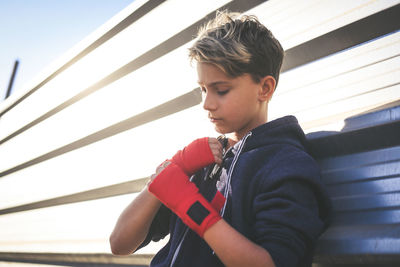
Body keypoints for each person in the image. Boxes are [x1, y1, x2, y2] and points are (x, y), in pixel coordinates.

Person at [109, 11, 331, 267]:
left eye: (221, 90)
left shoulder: (286, 164)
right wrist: (170, 171)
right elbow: (120, 243)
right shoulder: (204, 159)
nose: (206, 103)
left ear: (265, 88)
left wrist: (191, 206)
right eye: (203, 89)